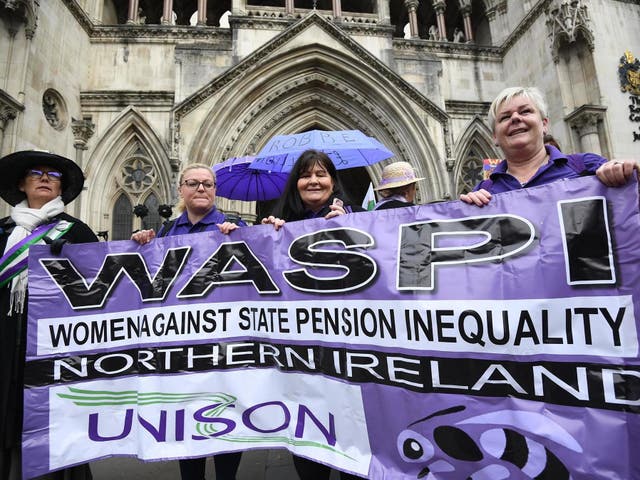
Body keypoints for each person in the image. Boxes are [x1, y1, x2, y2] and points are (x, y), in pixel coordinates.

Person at [131, 163, 244, 480]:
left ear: (215, 190)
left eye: (207, 184)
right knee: (186, 415)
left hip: (225, 341)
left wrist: (242, 238)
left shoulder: (231, 225)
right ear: (180, 189)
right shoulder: (165, 233)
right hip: (182, 342)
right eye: (193, 183)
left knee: (227, 412)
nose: (201, 189)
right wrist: (138, 245)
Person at [261, 149, 362, 480]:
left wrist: (349, 227)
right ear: (296, 183)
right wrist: (267, 237)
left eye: (321, 174)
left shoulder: (360, 218)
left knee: (353, 450)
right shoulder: (281, 225)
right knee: (309, 448)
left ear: (333, 181)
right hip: (301, 356)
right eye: (306, 175)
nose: (313, 181)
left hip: (349, 352)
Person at [0, 150, 97, 480]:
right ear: (21, 184)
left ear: (61, 189)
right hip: (6, 339)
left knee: (53, 421)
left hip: (54, 345)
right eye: (37, 173)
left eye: (53, 176)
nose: (45, 179)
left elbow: (100, 286)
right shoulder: (2, 232)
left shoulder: (76, 232)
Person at [460, 86, 637, 207]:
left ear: (544, 124)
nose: (515, 118)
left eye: (525, 111)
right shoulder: (485, 191)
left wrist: (629, 173)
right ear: (495, 136)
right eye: (505, 117)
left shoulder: (586, 167)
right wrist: (468, 214)